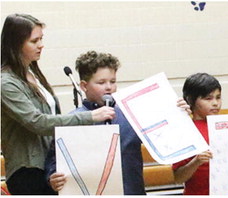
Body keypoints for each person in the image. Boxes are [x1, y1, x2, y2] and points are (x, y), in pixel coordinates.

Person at [0, 14, 115, 195]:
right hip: (28, 171)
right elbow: (38, 122)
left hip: (50, 166)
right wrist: (90, 116)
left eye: (41, 39)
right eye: (34, 41)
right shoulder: (6, 83)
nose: (41, 45)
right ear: (16, 44)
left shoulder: (33, 73)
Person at [44, 51, 156, 195]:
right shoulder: (72, 121)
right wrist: (52, 177)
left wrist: (178, 111)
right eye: (101, 83)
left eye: (113, 81)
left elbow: (161, 135)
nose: (109, 87)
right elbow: (54, 162)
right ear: (84, 86)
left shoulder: (130, 115)